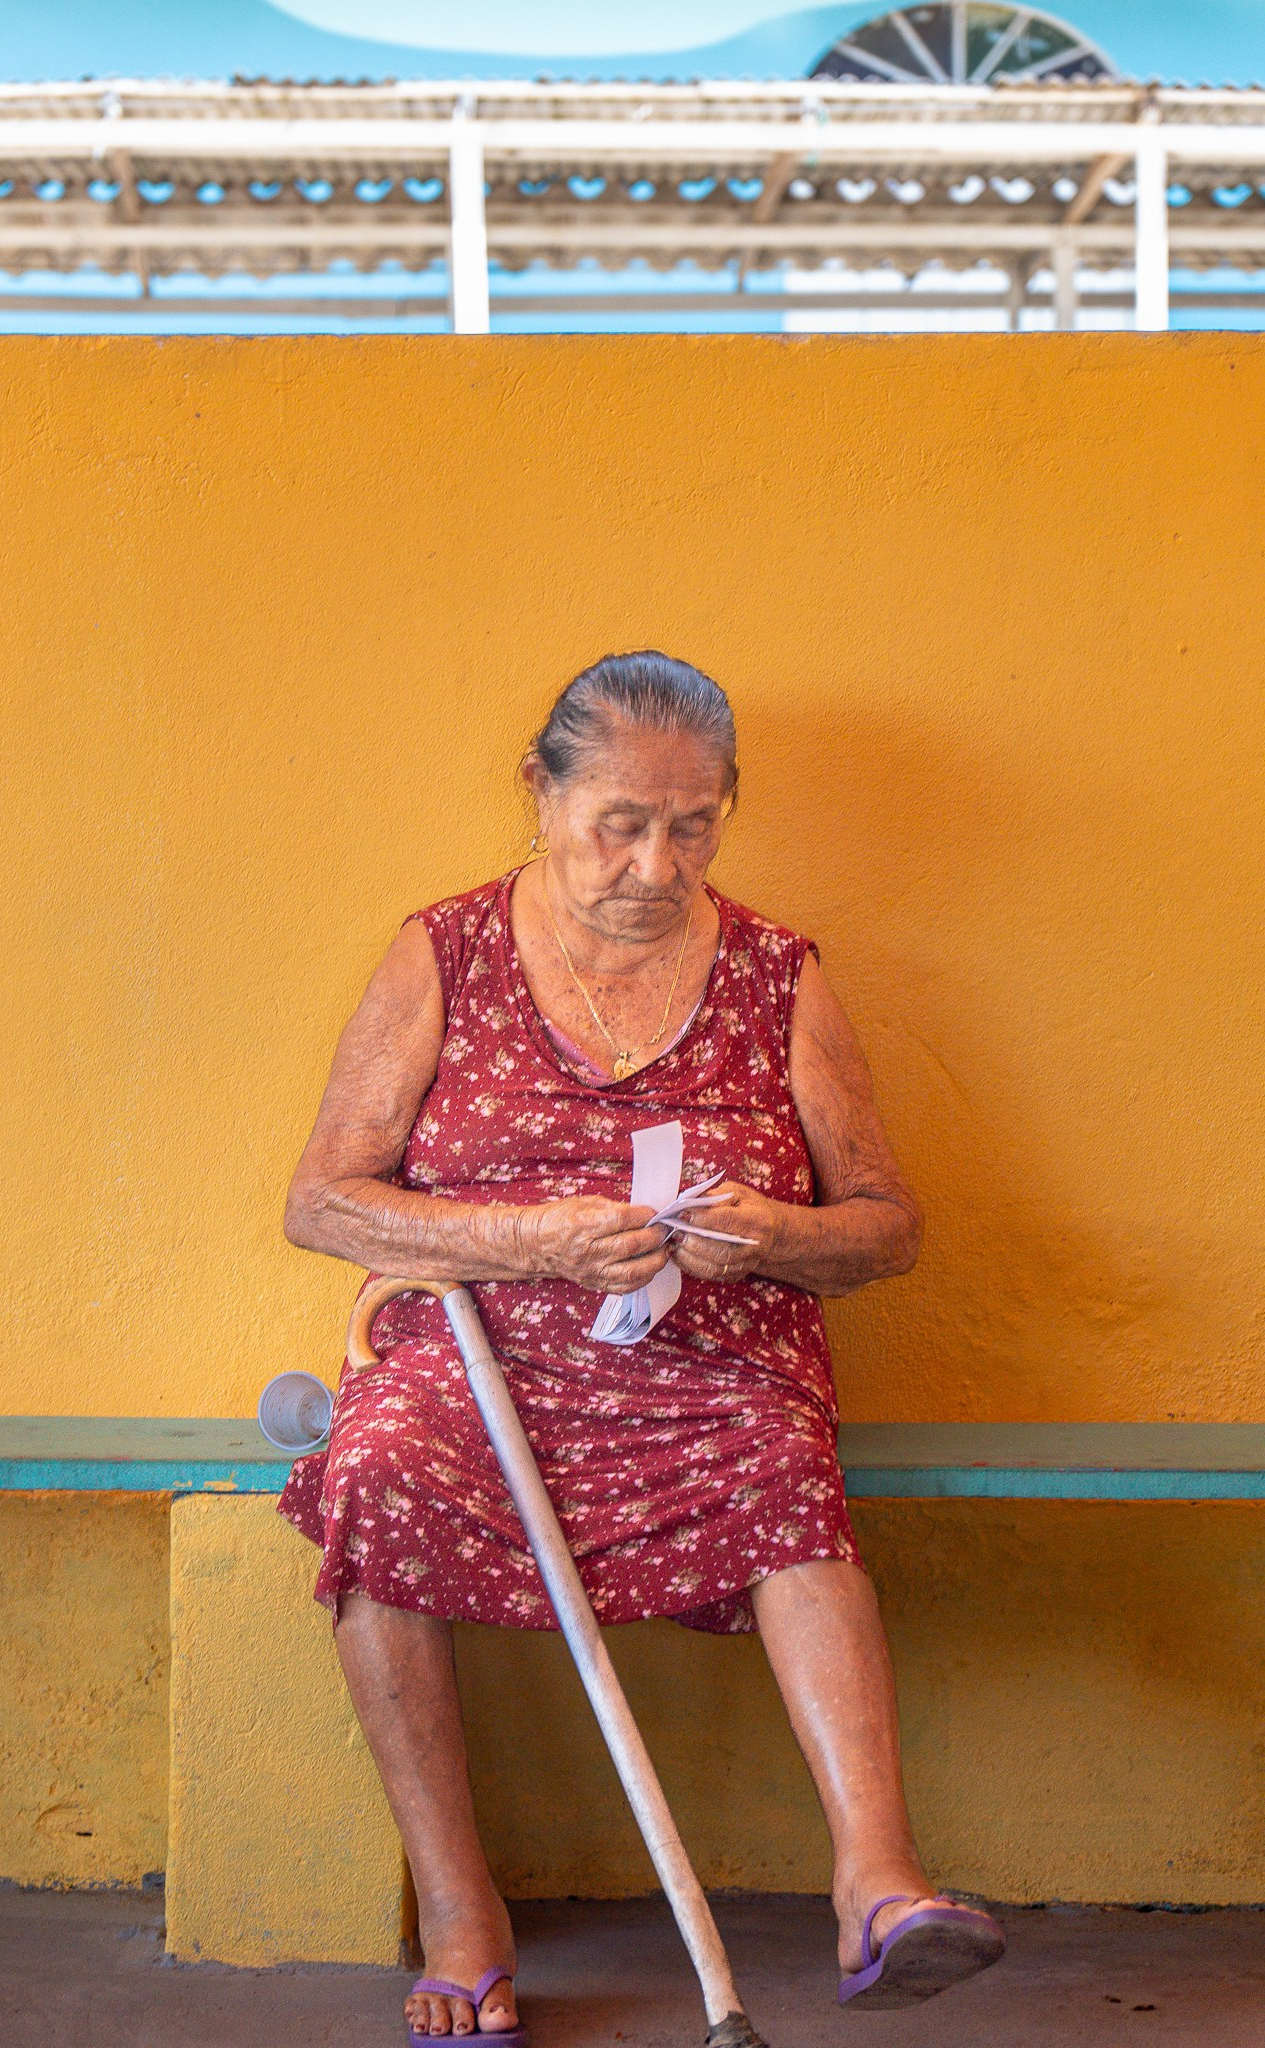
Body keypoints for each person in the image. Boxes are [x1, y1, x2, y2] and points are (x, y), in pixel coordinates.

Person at [280, 651, 1004, 2040]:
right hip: (481, 1349)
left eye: (692, 823)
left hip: (710, 1361)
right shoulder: (446, 951)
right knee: (373, 1465)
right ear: (539, 794)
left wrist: (776, 1238)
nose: (654, 863)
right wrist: (531, 1239)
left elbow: (886, 1227)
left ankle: (878, 1883)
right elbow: (320, 1200)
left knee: (782, 1455)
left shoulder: (778, 974)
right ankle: (460, 1909)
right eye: (618, 819)